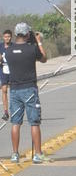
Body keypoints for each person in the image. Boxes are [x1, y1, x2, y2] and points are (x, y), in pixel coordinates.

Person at [4, 23, 48, 163]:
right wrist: (39, 42)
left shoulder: (8, 51)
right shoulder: (32, 49)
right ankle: (38, 154)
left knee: (15, 123)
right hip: (29, 89)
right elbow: (44, 58)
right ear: (28, 34)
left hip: (14, 90)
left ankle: (15, 154)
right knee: (34, 122)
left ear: (16, 34)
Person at [1, 29, 13, 121]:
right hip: (3, 69)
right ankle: (6, 112)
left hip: (13, 70)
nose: (7, 38)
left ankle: (14, 109)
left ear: (11, 37)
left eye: (8, 37)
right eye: (5, 37)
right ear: (3, 37)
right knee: (4, 89)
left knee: (14, 90)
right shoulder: (0, 46)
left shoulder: (14, 46)